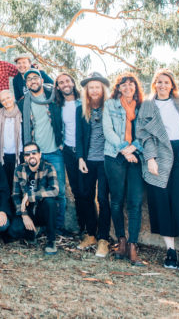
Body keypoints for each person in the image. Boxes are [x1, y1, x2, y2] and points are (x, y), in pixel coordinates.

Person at [136, 69, 179, 271]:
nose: (162, 85)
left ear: (172, 85)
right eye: (159, 82)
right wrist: (150, 158)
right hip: (159, 154)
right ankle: (170, 250)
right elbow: (143, 134)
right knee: (161, 201)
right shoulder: (148, 105)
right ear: (154, 84)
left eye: (166, 82)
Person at [102, 72, 146, 266]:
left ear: (135, 87)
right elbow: (107, 129)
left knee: (135, 201)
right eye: (124, 84)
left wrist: (132, 148)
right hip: (114, 156)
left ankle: (133, 244)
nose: (128, 87)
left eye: (131, 84)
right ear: (118, 87)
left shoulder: (142, 106)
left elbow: (144, 131)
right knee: (117, 200)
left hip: (136, 156)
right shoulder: (110, 104)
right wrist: (123, 149)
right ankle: (121, 239)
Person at [19, 69, 67, 235]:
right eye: (29, 79)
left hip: (55, 151)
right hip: (34, 154)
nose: (32, 81)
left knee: (59, 191)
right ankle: (41, 225)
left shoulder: (54, 96)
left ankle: (58, 228)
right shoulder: (25, 101)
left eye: (35, 78)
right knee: (36, 190)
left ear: (41, 79)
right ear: (26, 84)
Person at [76, 72, 113, 257]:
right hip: (88, 160)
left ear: (103, 89)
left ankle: (103, 239)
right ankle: (91, 234)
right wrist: (80, 158)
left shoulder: (111, 107)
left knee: (104, 199)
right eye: (91, 87)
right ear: (87, 91)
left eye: (97, 87)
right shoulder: (81, 110)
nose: (94, 90)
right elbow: (79, 136)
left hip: (106, 160)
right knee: (85, 196)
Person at [9, 142, 60, 255]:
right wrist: (24, 214)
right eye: (27, 154)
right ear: (25, 157)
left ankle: (51, 241)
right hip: (27, 210)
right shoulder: (19, 170)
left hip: (42, 210)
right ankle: (34, 231)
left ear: (40, 154)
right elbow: (16, 195)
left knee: (51, 202)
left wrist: (31, 195)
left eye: (34, 153)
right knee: (14, 231)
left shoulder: (48, 167)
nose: (31, 156)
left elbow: (55, 190)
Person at [54, 72, 84, 238]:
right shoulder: (59, 105)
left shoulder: (84, 102)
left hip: (84, 152)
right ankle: (82, 227)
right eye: (61, 82)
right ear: (57, 87)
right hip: (68, 151)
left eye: (67, 81)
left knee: (86, 190)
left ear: (73, 82)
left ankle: (91, 229)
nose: (65, 84)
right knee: (76, 190)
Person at [0, 90, 22, 204]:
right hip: (3, 153)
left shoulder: (22, 112)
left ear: (13, 97)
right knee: (5, 183)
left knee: (18, 182)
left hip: (18, 153)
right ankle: (6, 208)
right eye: (3, 100)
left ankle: (19, 208)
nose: (6, 101)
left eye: (8, 98)